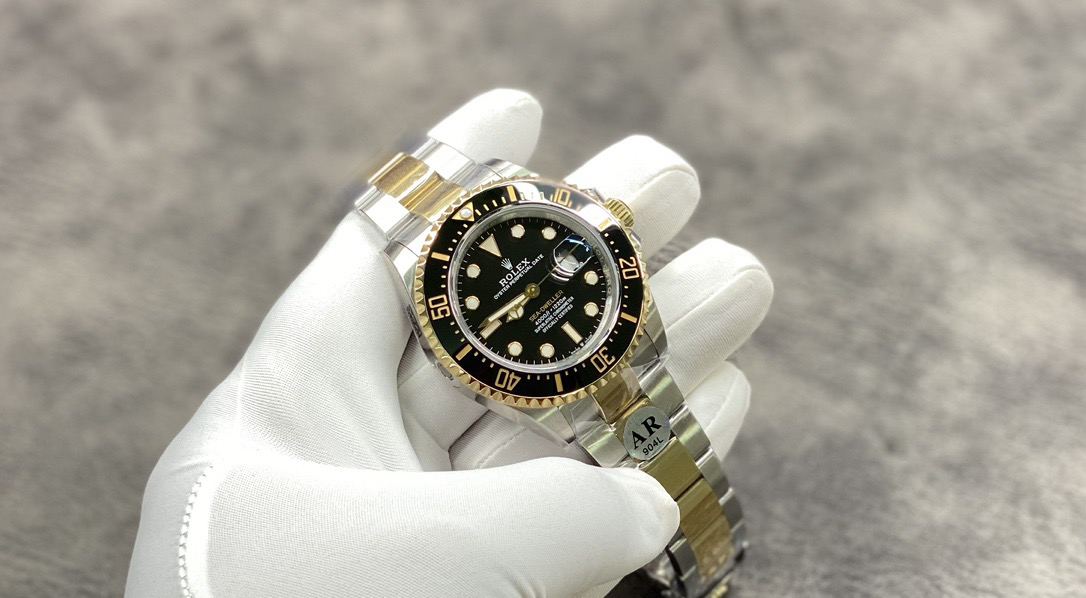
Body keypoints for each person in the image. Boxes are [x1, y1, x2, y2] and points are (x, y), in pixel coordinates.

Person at [125, 89, 773, 598]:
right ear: (457, 355)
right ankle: (709, 558)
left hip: (602, 347)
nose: (527, 293)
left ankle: (712, 553)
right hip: (562, 374)